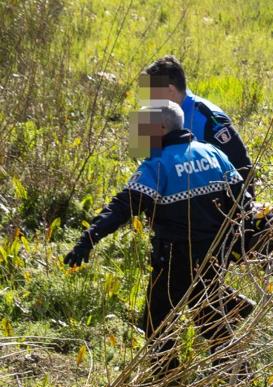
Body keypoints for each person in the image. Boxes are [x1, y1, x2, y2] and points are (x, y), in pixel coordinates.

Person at [63, 102, 252, 370]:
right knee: (207, 313)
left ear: (161, 128)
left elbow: (122, 208)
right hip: (215, 253)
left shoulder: (159, 165)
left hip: (175, 257)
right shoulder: (213, 153)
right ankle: (238, 373)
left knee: (157, 322)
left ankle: (167, 381)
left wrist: (88, 240)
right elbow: (242, 201)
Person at [140, 56, 254, 195]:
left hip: (210, 200)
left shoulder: (208, 117)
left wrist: (245, 210)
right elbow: (146, 163)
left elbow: (241, 164)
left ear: (169, 90)